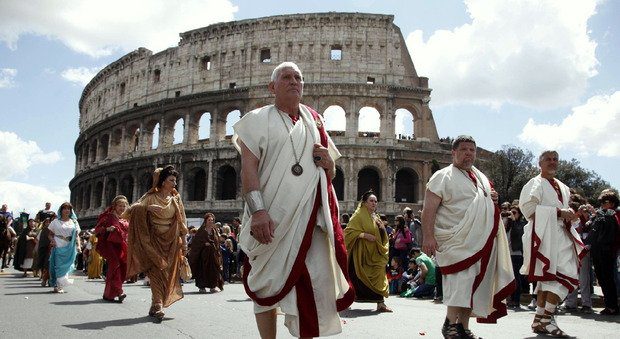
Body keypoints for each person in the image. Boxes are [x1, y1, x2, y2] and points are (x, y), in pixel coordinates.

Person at [232, 61, 353, 338]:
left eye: (298, 77)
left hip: (309, 216)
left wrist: (329, 164)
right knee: (264, 281)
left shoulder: (315, 120)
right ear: (272, 87)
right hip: (271, 216)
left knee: (314, 282)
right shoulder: (257, 119)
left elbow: (329, 173)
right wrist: (258, 212)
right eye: (286, 77)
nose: (294, 82)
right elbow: (248, 169)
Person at [422, 135, 514, 339]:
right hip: (454, 240)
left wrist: (492, 199)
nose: (468, 154)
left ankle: (463, 327)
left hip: (479, 240)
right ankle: (449, 325)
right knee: (459, 283)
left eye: (472, 150)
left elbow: (483, 203)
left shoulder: (480, 177)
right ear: (453, 152)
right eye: (464, 150)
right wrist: (428, 236)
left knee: (472, 284)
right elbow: (428, 209)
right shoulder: (442, 176)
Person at [519, 150, 586, 337]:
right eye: (548, 159)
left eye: (555, 159)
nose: (552, 162)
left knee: (555, 278)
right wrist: (559, 213)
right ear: (540, 163)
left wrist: (572, 215)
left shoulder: (563, 187)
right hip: (543, 237)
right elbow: (529, 211)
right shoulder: (534, 183)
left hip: (561, 235)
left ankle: (540, 319)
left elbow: (563, 212)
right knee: (556, 278)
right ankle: (547, 320)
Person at [123, 165, 188, 322]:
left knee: (167, 274)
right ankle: (158, 304)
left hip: (172, 242)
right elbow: (129, 212)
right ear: (163, 181)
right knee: (157, 271)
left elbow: (182, 221)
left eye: (175, 180)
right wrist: (146, 208)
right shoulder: (150, 197)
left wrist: (184, 242)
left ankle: (154, 304)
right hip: (153, 241)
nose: (175, 183)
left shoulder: (176, 199)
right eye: (171, 180)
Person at [344, 191, 391, 312]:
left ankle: (381, 304)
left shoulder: (376, 216)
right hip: (361, 254)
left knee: (379, 274)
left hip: (375, 252)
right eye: (371, 201)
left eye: (375, 201)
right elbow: (348, 232)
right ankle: (348, 300)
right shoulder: (358, 215)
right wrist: (363, 235)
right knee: (357, 277)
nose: (374, 203)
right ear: (364, 202)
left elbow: (382, 233)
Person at [588, 190, 619, 315]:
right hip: (598, 251)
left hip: (605, 252)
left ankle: (612, 306)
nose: (602, 204)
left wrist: (602, 247)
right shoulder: (602, 214)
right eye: (601, 202)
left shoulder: (611, 215)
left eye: (604, 202)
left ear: (612, 203)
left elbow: (608, 235)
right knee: (602, 279)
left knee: (607, 279)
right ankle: (609, 305)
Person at [95, 195, 129, 303]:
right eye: (120, 206)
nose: (122, 208)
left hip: (122, 246)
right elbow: (97, 229)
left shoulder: (124, 218)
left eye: (124, 206)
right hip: (111, 245)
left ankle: (109, 294)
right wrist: (107, 229)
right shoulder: (109, 216)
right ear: (114, 206)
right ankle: (119, 291)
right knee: (115, 267)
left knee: (123, 267)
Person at [48, 202, 82, 294]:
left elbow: (77, 236)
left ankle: (59, 284)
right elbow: (50, 234)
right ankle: (59, 285)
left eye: (69, 209)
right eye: (65, 208)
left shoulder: (74, 222)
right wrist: (52, 240)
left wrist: (78, 245)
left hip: (70, 247)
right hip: (58, 244)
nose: (67, 210)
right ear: (61, 210)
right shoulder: (55, 222)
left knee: (67, 266)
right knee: (59, 266)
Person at [188, 212, 224, 293]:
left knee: (213, 270)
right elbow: (196, 242)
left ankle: (213, 286)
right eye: (209, 220)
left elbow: (217, 241)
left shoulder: (214, 230)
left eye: (212, 220)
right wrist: (204, 244)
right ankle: (202, 287)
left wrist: (214, 243)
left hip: (213, 254)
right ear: (205, 221)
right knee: (202, 271)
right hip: (203, 255)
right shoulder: (201, 231)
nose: (211, 221)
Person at [505, 205, 527, 309]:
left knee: (516, 278)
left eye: (515, 213)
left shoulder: (521, 224)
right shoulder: (507, 223)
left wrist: (513, 221)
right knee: (508, 277)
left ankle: (516, 300)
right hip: (507, 254)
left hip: (516, 255)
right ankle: (509, 299)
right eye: (511, 212)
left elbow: (519, 234)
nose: (512, 215)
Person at [36, 217, 53, 287]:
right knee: (44, 265)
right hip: (43, 250)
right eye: (47, 222)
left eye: (49, 222)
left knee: (49, 265)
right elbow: (38, 240)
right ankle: (44, 279)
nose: (48, 223)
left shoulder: (53, 230)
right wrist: (37, 248)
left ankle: (49, 280)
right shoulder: (42, 231)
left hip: (51, 249)